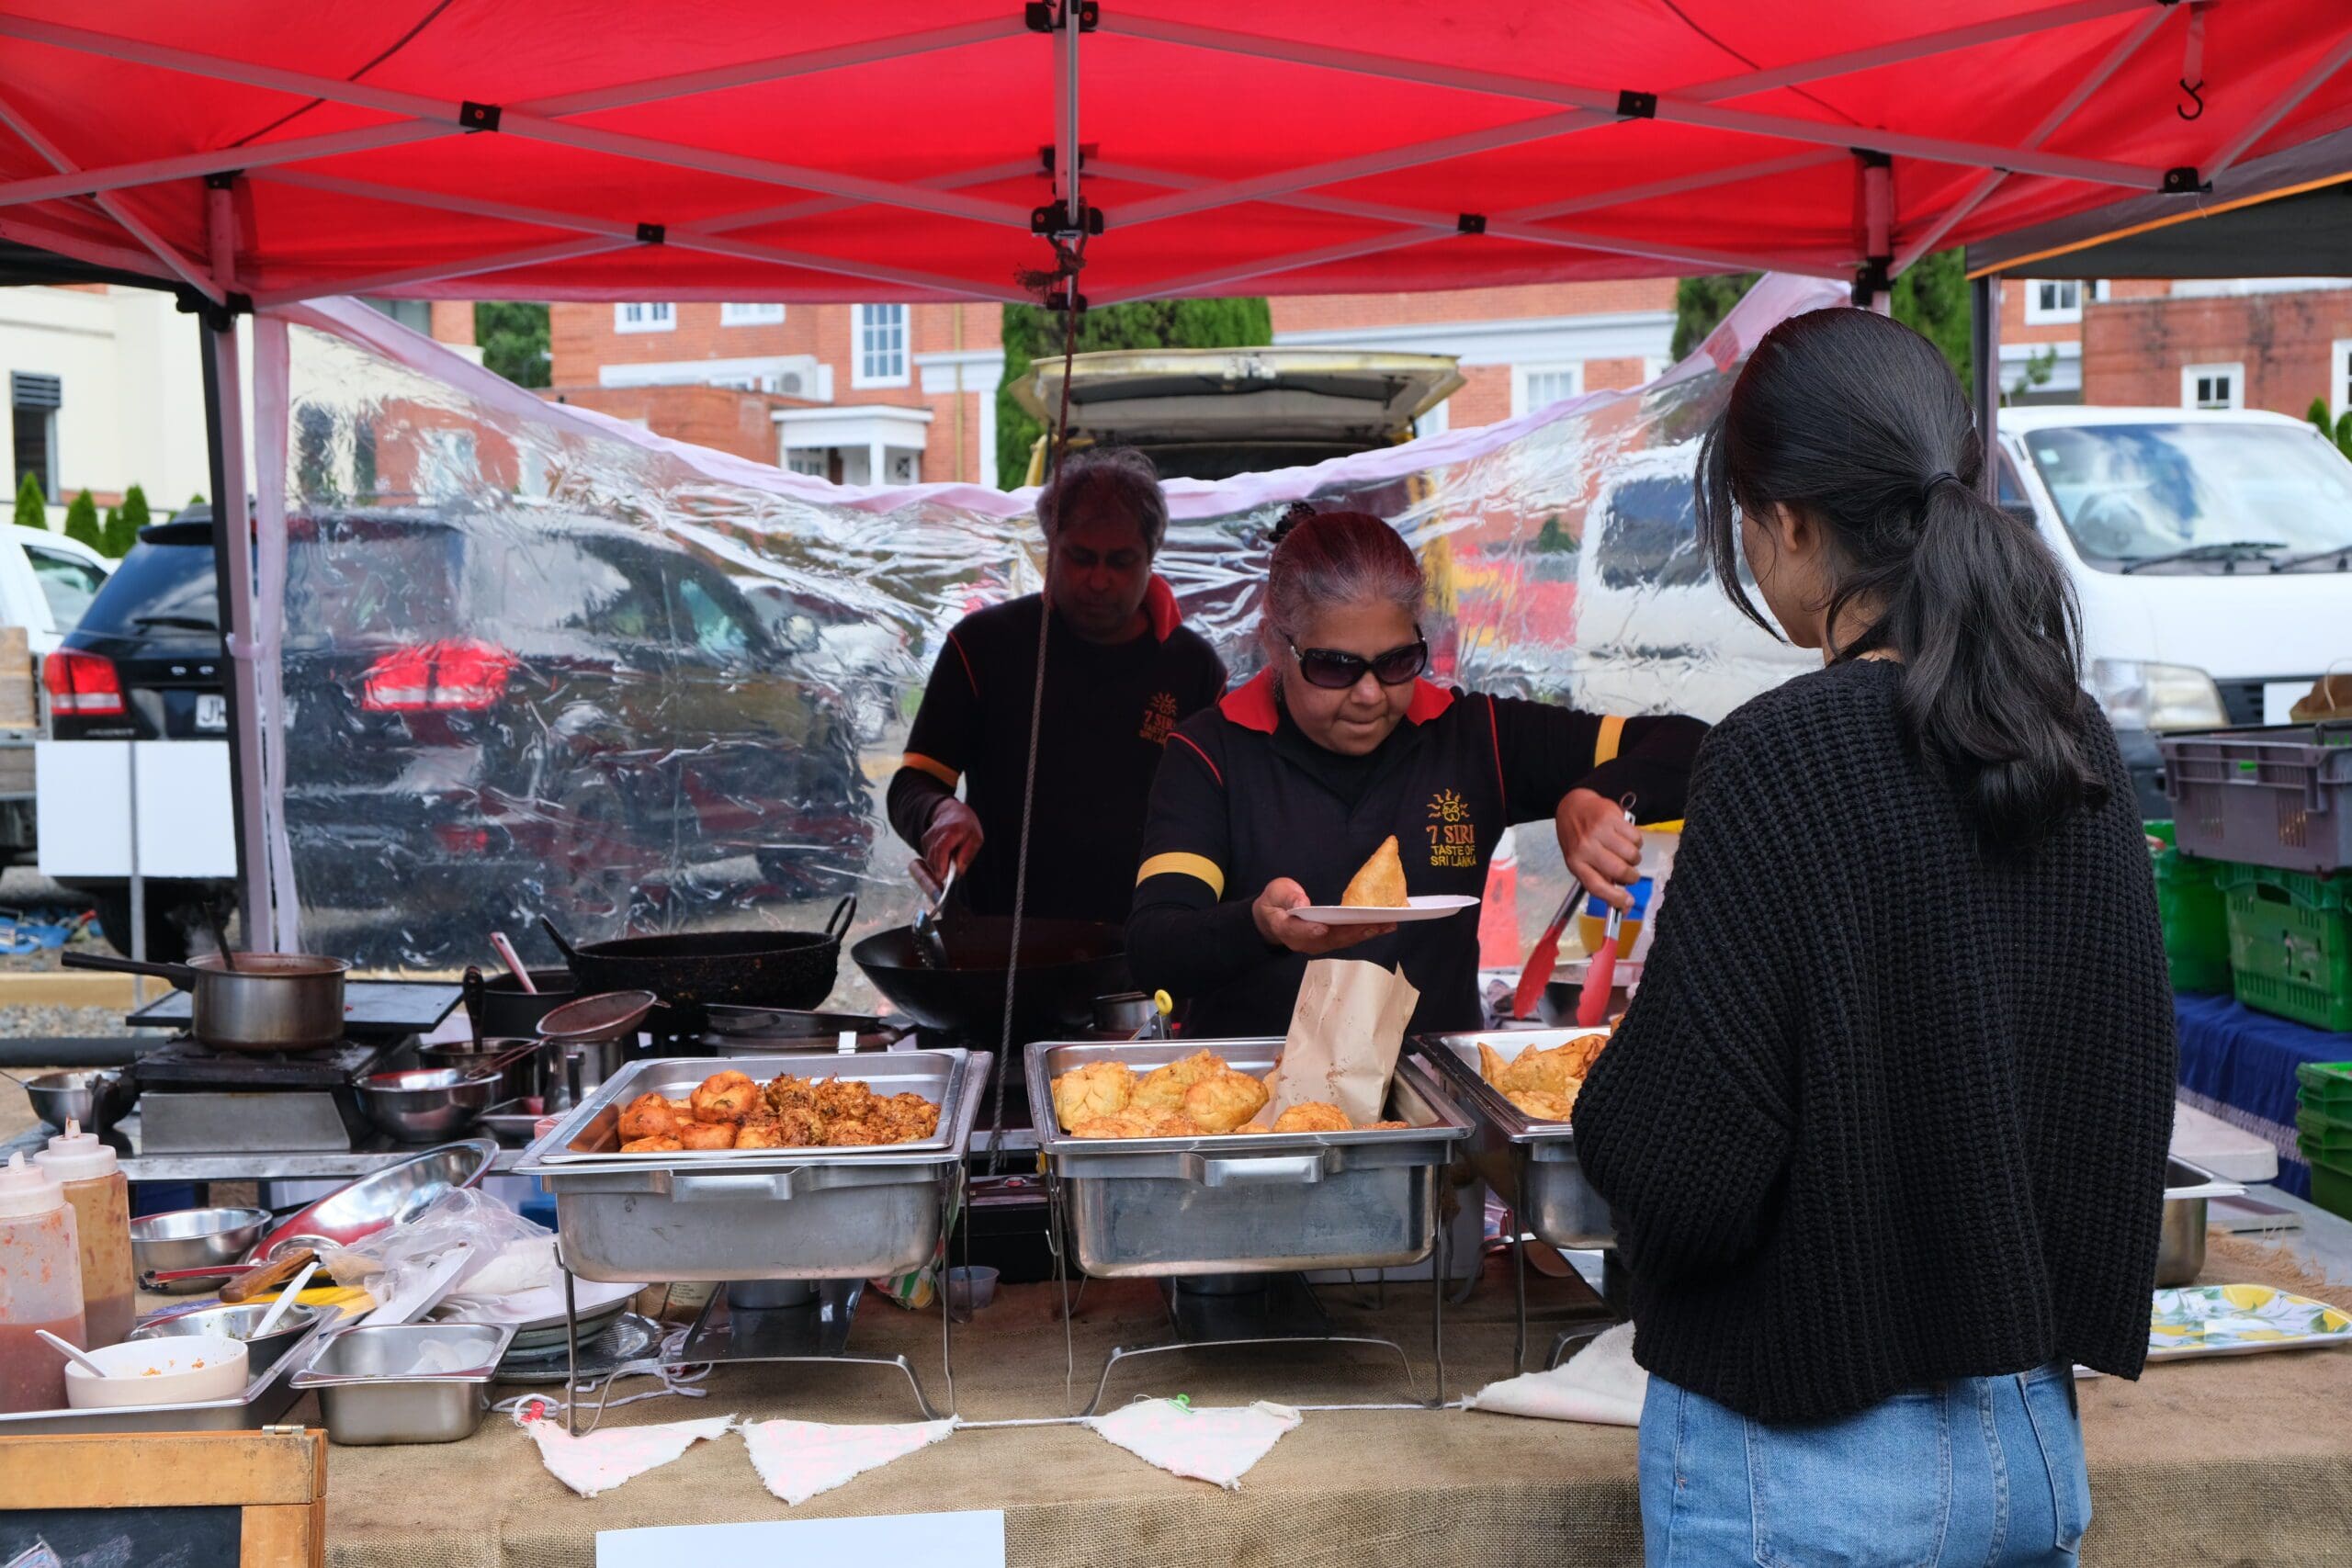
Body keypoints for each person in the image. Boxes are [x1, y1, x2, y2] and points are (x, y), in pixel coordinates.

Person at [1572, 308, 2175, 1566]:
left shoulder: (1780, 757)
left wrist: (1609, 1098)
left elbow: (1690, 1161)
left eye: (1743, 518)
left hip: (1806, 1464)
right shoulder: (2075, 745)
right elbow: (2117, 1094)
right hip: (2029, 1434)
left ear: (1787, 522)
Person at [1127, 508, 1704, 1036]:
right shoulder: (1211, 752)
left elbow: (1691, 743)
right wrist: (1260, 926)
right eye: (1336, 667)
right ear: (1277, 647)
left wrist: (1597, 793)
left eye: (1398, 662)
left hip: (1438, 1106)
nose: (1371, 695)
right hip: (1257, 1113)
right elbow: (1157, 948)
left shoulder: (1473, 736)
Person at [887, 446, 1227, 929]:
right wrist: (938, 813)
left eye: (1121, 561)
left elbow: (1220, 813)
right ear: (1052, 545)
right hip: (999, 942)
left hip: (1143, 944)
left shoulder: (1194, 668)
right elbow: (911, 783)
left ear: (1151, 558)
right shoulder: (983, 646)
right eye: (1080, 557)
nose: (1098, 579)